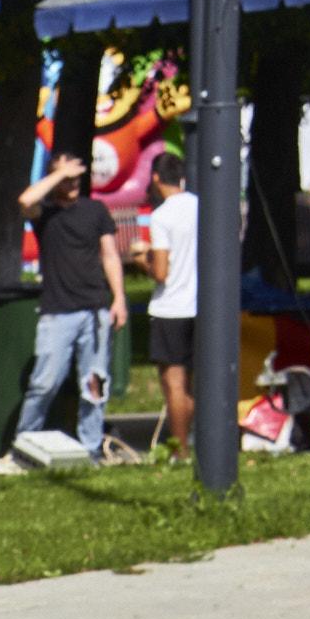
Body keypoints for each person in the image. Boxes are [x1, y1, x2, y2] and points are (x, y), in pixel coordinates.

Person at [14, 153, 125, 459]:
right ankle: (25, 444)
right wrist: (57, 174)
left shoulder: (95, 210)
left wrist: (119, 298)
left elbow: (110, 255)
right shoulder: (45, 213)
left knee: (94, 385)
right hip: (57, 311)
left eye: (76, 176)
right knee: (44, 383)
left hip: (95, 310)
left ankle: (91, 449)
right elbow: (26, 200)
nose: (73, 182)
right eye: (66, 177)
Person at [136, 152, 197, 460]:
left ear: (157, 179)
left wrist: (143, 261)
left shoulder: (162, 216)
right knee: (195, 383)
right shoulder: (202, 207)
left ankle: (181, 451)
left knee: (174, 383)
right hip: (201, 306)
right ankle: (200, 444)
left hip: (171, 306)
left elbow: (161, 273)